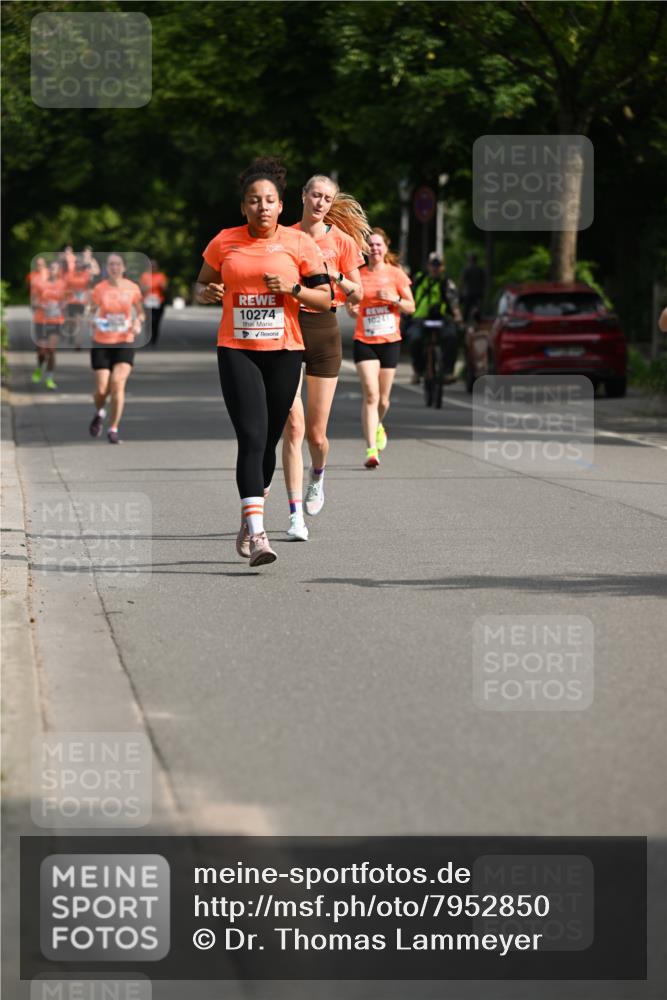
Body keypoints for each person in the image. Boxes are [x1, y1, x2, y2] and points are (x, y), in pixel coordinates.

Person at [195, 156, 331, 567]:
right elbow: (202, 283)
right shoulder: (224, 241)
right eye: (254, 201)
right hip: (237, 348)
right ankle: (258, 534)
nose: (262, 207)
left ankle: (249, 511)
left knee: (270, 438)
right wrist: (206, 293)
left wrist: (292, 289)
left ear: (281, 205)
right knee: (252, 436)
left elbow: (325, 300)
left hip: (286, 350)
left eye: (269, 200)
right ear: (243, 207)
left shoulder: (299, 244)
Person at [281, 175, 367, 541]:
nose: (320, 202)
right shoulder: (284, 236)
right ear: (303, 196)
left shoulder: (343, 242)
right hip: (287, 327)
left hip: (324, 331)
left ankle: (318, 475)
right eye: (315, 195)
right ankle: (294, 514)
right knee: (294, 428)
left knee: (316, 435)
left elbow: (358, 296)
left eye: (327, 198)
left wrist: (337, 277)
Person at [347, 228, 414, 468]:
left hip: (389, 342)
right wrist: (351, 309)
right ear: (365, 250)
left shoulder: (396, 275)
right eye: (371, 245)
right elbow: (350, 304)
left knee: (383, 401)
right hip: (364, 341)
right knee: (371, 395)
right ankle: (371, 450)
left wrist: (394, 299)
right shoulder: (359, 275)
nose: (374, 248)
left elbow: (411, 307)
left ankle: (377, 425)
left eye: (378, 245)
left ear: (385, 248)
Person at [87, 253, 144, 444]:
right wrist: (92, 320)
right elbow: (91, 310)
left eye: (117, 264)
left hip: (124, 340)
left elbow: (140, 312)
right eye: (111, 264)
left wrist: (137, 322)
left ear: (124, 268)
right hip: (101, 341)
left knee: (118, 384)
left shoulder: (132, 288)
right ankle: (100, 412)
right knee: (102, 390)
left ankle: (113, 428)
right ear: (106, 268)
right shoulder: (99, 289)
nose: (114, 267)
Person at [407, 252, 462, 384]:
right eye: (433, 264)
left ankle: (448, 372)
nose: (435, 268)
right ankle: (418, 370)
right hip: (420, 317)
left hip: (442, 318)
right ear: (428, 265)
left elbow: (453, 301)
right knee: (415, 339)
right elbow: (409, 295)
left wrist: (457, 315)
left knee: (451, 337)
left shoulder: (446, 282)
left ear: (443, 267)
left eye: (438, 265)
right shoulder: (419, 279)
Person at [31, 260, 66, 390]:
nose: (53, 271)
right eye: (51, 268)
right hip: (41, 320)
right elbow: (33, 302)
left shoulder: (62, 284)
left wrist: (62, 305)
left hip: (56, 321)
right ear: (48, 270)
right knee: (41, 352)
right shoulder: (39, 283)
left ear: (59, 271)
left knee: (51, 350)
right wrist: (41, 305)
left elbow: (66, 301)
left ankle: (49, 378)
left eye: (56, 269)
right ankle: (39, 368)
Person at [64, 255, 92, 349]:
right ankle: (71, 334)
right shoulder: (69, 275)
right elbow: (65, 288)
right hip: (70, 301)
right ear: (75, 265)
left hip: (81, 302)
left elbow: (88, 289)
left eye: (80, 265)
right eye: (77, 264)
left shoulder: (86, 275)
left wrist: (88, 302)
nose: (79, 266)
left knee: (79, 322)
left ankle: (78, 344)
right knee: (71, 322)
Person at [139, 260, 169, 347]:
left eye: (154, 266)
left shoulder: (161, 276)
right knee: (148, 321)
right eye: (151, 266)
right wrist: (147, 287)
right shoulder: (144, 276)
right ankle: (148, 338)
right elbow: (141, 289)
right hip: (147, 302)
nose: (153, 268)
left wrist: (162, 286)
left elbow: (165, 289)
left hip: (158, 302)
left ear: (157, 267)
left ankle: (154, 340)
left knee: (156, 321)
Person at [460, 252, 486, 322]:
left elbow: (462, 281)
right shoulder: (480, 270)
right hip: (477, 294)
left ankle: (463, 327)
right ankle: (478, 324)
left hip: (468, 293)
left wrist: (461, 293)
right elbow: (483, 282)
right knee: (477, 311)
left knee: (466, 312)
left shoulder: (466, 269)